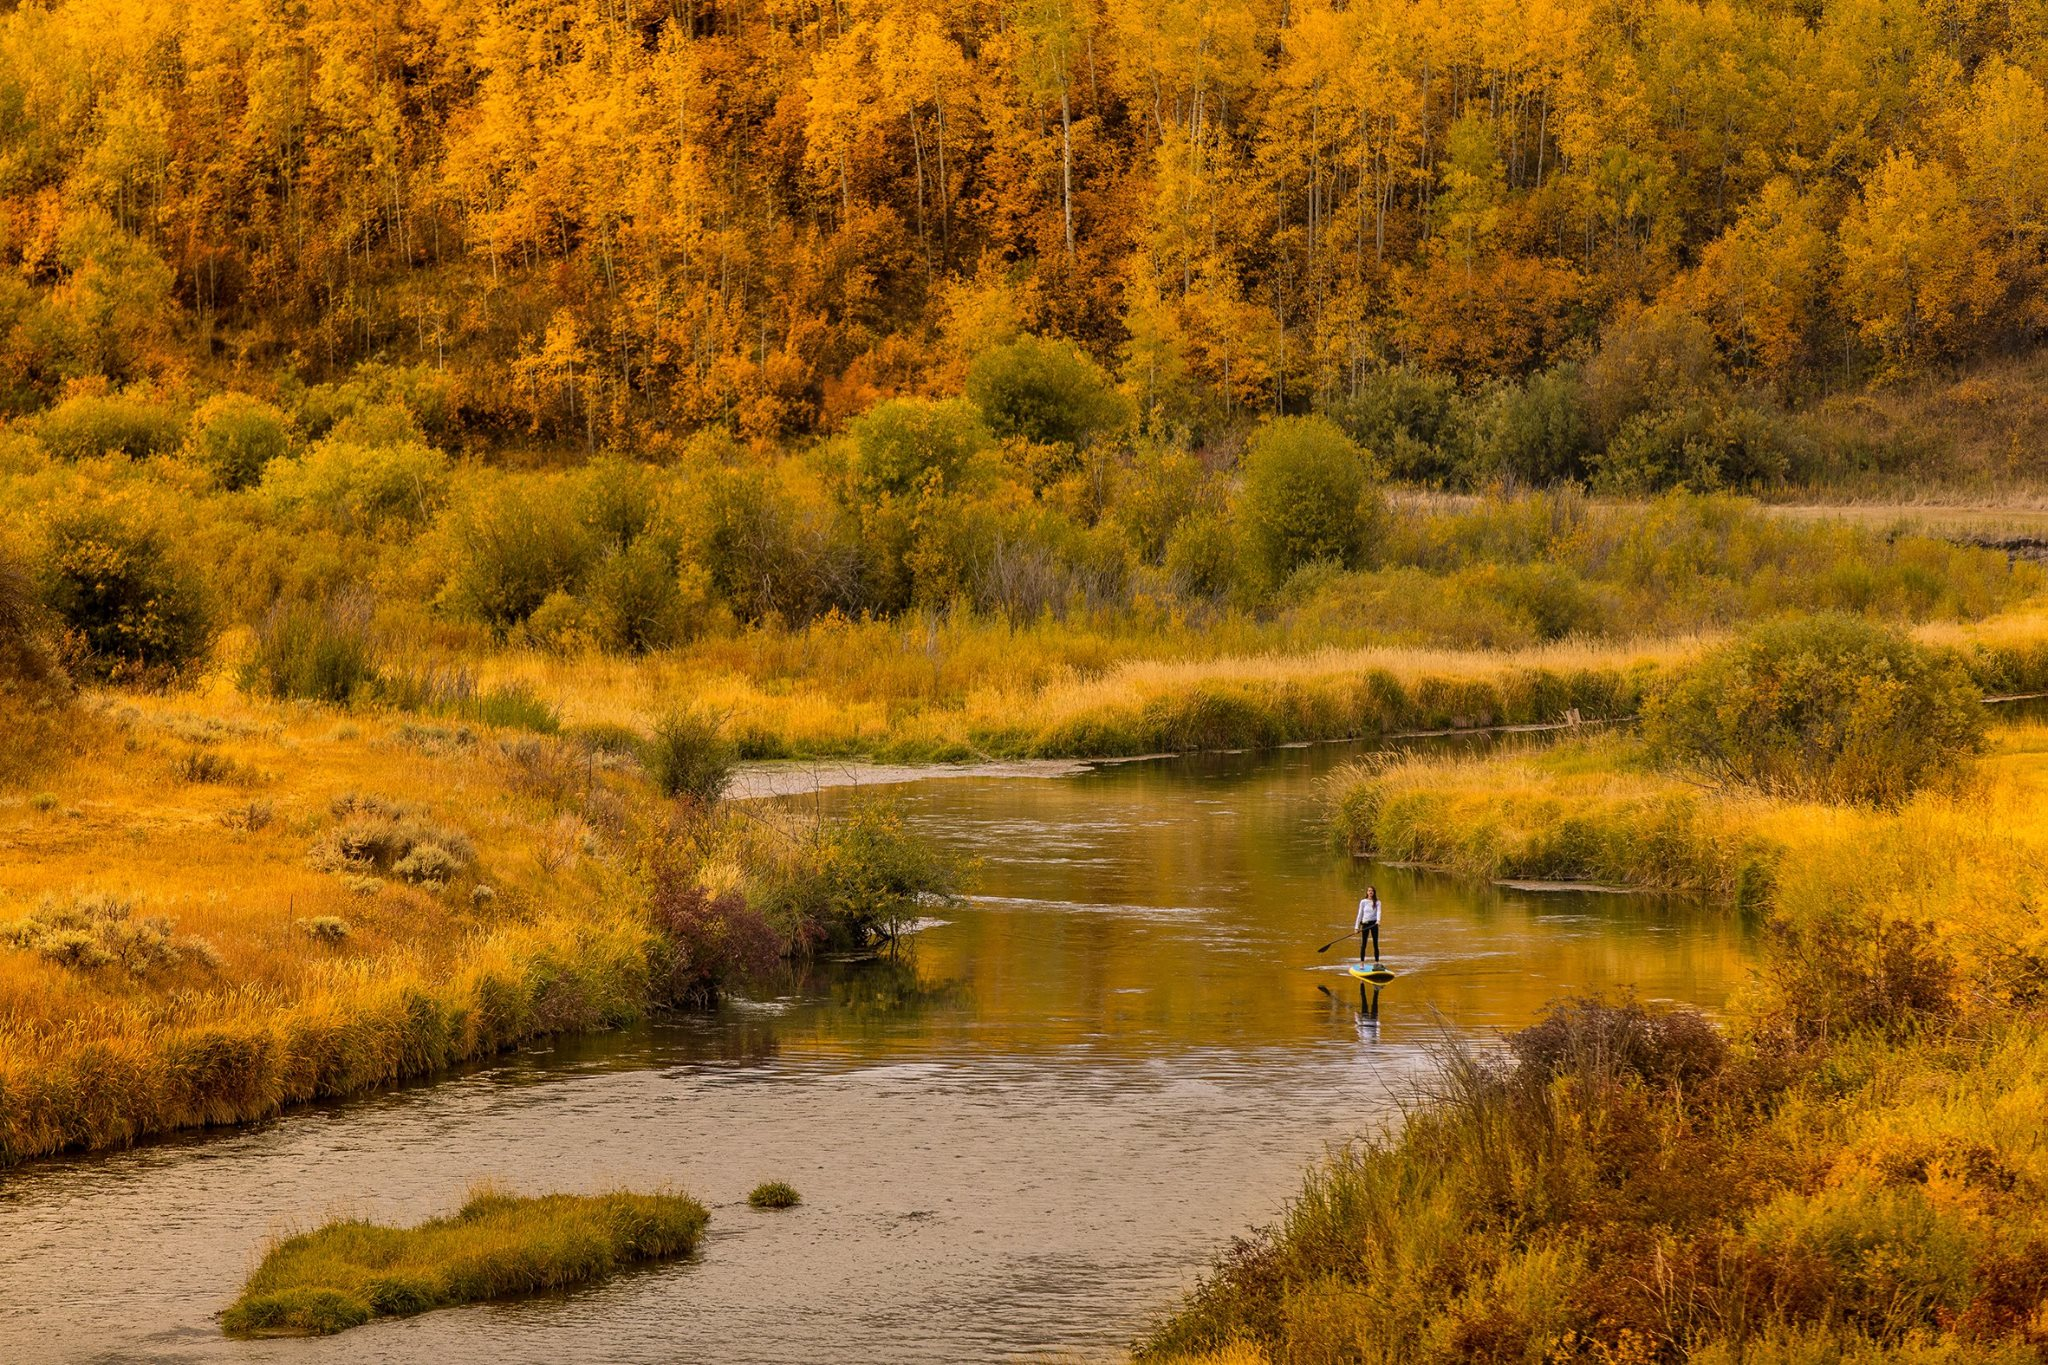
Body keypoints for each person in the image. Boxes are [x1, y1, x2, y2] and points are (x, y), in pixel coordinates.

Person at [1355, 885, 1381, 964]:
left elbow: (1379, 912)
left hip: (1374, 924)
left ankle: (1376, 962)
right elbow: (1360, 914)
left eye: (1372, 891)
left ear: (1374, 892)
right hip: (1365, 924)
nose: (1370, 892)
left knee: (1375, 943)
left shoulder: (1377, 902)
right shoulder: (1363, 902)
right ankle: (1362, 962)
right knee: (1364, 944)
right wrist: (1356, 927)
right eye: (1369, 891)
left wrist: (1378, 920)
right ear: (1367, 892)